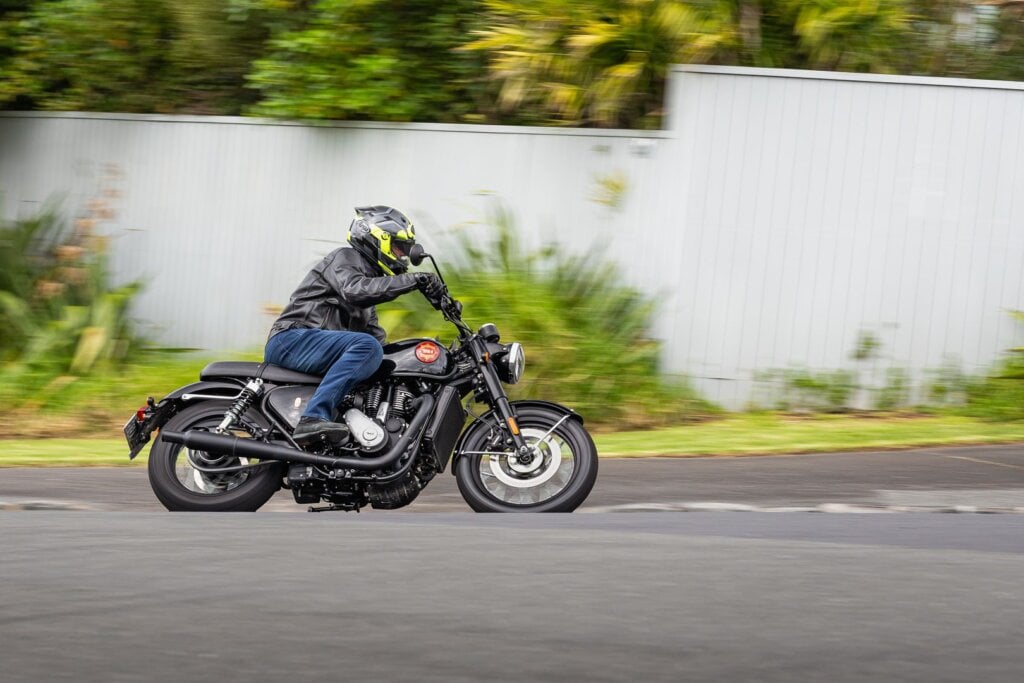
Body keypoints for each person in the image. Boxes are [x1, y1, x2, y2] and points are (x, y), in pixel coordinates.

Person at [264, 206, 444, 444]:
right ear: (376, 237)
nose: (401, 256)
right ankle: (312, 418)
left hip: (311, 346)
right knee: (367, 346)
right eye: (398, 247)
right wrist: (413, 280)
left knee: (381, 357)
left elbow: (382, 346)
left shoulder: (367, 302)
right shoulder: (345, 258)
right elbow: (355, 290)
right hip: (292, 338)